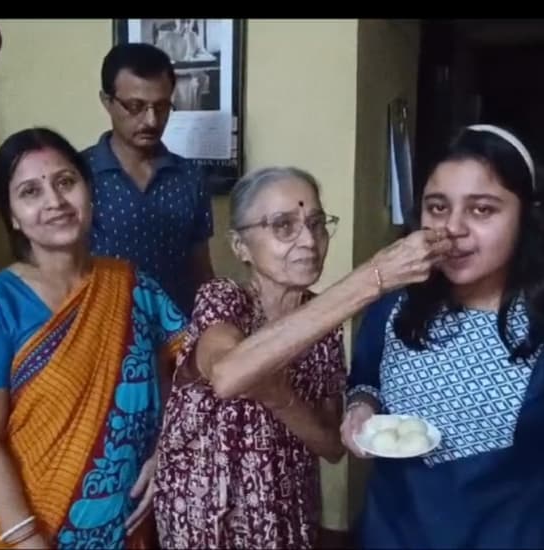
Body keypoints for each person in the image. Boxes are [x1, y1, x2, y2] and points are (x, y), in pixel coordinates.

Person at [340, 124, 544, 549]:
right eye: (437, 207)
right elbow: (365, 379)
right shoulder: (395, 308)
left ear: (528, 217)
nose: (453, 228)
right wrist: (360, 406)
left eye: (482, 210)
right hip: (391, 533)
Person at [151, 166, 452, 549]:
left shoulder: (323, 325)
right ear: (240, 246)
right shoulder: (223, 299)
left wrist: (279, 395)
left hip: (284, 510)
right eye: (283, 226)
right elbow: (228, 375)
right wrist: (374, 276)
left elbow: (330, 445)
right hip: (205, 509)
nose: (309, 240)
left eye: (316, 224)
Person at [0, 127, 186, 549]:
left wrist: (166, 450)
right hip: (26, 532)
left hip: (126, 529)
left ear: (88, 191)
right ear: (12, 216)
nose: (55, 202)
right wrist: (28, 541)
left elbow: (192, 368)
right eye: (30, 192)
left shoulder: (132, 285)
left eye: (65, 182)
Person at [83, 42, 214, 316]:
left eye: (162, 106)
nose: (152, 120)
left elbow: (201, 271)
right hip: (102, 330)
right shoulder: (77, 175)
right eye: (135, 106)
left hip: (178, 333)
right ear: (107, 101)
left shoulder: (190, 177)